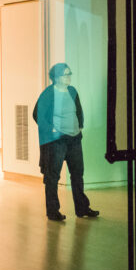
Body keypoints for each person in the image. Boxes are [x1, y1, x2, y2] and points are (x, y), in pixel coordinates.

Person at [32, 63, 99, 222]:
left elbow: (78, 110)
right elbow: (37, 115)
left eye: (70, 73)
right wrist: (52, 131)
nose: (69, 77)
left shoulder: (72, 91)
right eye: (65, 74)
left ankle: (82, 208)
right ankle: (53, 212)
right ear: (55, 78)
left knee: (77, 174)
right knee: (53, 177)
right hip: (57, 141)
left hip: (74, 139)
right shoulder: (48, 94)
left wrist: (80, 126)